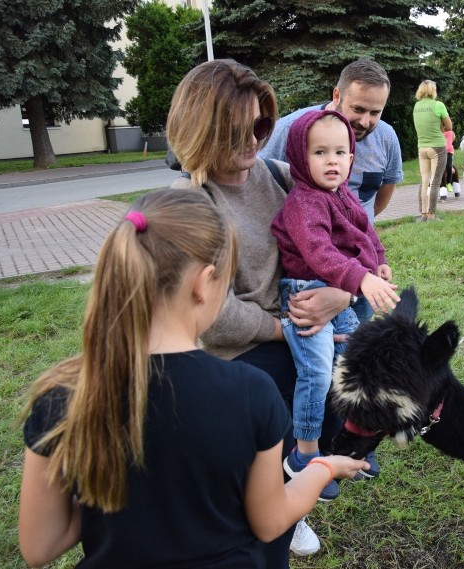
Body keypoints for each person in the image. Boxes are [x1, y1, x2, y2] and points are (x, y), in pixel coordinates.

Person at [18, 189, 369, 569]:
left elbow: (40, 546)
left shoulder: (61, 394)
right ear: (204, 283)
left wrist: (103, 488)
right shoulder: (250, 392)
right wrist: (323, 468)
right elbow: (270, 523)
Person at [166, 59, 358, 563]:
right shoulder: (193, 206)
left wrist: (343, 295)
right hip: (248, 349)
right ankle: (279, 498)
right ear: (203, 129)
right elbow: (211, 313)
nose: (254, 139)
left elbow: (349, 243)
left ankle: (290, 487)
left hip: (310, 321)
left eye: (262, 125)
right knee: (288, 396)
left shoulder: (277, 176)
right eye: (240, 128)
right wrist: (286, 328)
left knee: (356, 372)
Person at [270, 110, 400, 500]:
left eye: (341, 152)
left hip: (338, 290)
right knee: (316, 372)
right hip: (306, 291)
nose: (332, 161)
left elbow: (364, 230)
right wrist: (361, 278)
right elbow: (321, 253)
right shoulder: (304, 203)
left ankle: (343, 443)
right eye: (320, 152)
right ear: (298, 157)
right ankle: (303, 455)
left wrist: (378, 260)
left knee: (351, 364)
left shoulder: (342, 193)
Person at [259, 59, 403, 227]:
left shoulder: (387, 137)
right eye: (358, 109)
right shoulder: (291, 129)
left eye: (375, 113)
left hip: (361, 246)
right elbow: (260, 184)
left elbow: (385, 190)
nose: (365, 122)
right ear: (337, 96)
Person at [413, 79, 452, 222]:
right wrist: (441, 125)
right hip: (437, 147)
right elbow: (449, 127)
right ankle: (431, 215)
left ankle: (422, 215)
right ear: (432, 90)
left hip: (422, 147)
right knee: (435, 182)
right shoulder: (438, 105)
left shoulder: (416, 106)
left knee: (424, 182)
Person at [439, 128, 458, 200]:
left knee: (448, 166)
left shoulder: (449, 132)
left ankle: (448, 182)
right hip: (438, 153)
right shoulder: (437, 132)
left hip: (448, 152)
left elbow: (449, 145)